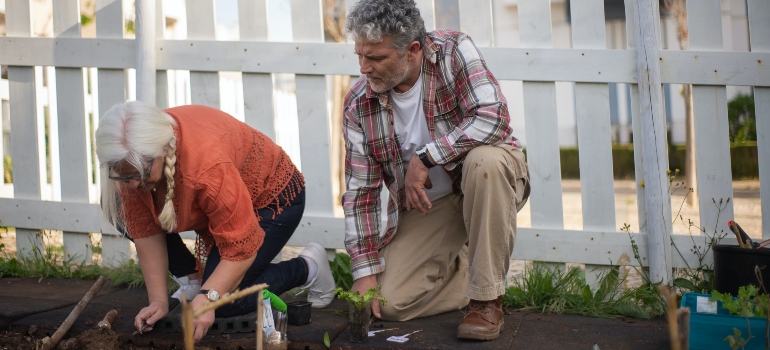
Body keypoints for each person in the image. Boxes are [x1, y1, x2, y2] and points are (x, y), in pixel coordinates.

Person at [342, 0, 530, 341]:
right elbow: (360, 192)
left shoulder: (454, 51)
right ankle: (469, 270)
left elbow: (494, 117)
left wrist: (426, 158)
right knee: (390, 304)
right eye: (360, 55)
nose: (364, 68)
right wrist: (365, 270)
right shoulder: (358, 103)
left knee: (484, 161)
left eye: (376, 58)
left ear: (413, 49)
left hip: (486, 183)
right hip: (431, 205)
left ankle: (486, 298)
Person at [95, 101, 335, 343]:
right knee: (117, 206)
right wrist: (158, 300)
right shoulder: (134, 159)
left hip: (270, 198)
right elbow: (146, 231)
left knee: (226, 304)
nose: (134, 184)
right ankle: (193, 281)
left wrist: (209, 299)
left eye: (141, 174)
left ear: (164, 150)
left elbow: (240, 248)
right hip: (226, 196)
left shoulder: (206, 166)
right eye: (125, 175)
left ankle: (307, 268)